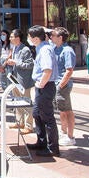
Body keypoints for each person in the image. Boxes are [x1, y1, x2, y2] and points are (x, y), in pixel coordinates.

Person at [25, 25, 60, 157]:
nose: (28, 39)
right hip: (42, 87)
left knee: (47, 117)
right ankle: (41, 141)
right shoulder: (41, 48)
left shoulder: (45, 50)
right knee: (37, 114)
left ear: (35, 39)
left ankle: (53, 148)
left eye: (29, 36)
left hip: (45, 87)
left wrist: (41, 83)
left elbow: (47, 70)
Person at [6, 29, 35, 134]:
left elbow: (29, 65)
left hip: (24, 80)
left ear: (18, 38)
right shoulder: (14, 48)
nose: (10, 38)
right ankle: (19, 122)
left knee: (26, 103)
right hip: (15, 79)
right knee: (17, 101)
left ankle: (29, 125)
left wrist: (16, 62)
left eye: (12, 36)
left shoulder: (25, 49)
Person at [52, 27, 76, 146]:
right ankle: (63, 131)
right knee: (61, 110)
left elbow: (69, 70)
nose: (51, 37)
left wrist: (61, 85)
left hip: (63, 85)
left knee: (67, 110)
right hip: (56, 83)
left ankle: (70, 136)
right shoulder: (55, 49)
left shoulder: (67, 51)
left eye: (53, 36)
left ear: (60, 38)